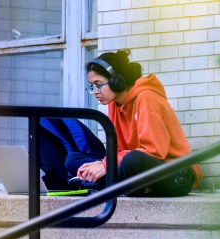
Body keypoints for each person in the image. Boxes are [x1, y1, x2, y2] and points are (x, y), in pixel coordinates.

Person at [76, 49, 201, 196]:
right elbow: (117, 150)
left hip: (178, 173)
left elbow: (154, 151)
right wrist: (104, 163)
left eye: (98, 84)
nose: (95, 91)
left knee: (132, 161)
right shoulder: (114, 104)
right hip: (140, 171)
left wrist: (107, 165)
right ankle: (108, 183)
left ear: (117, 80)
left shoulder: (147, 97)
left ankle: (109, 184)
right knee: (74, 160)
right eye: (91, 86)